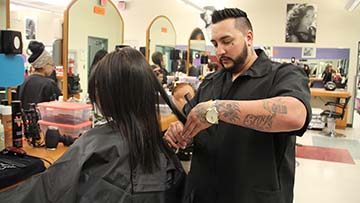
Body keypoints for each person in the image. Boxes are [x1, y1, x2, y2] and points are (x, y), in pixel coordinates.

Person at [164, 8, 311, 203]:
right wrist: (180, 130)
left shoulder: (282, 75)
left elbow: (295, 115)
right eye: (215, 44)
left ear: (248, 37)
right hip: (204, 194)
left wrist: (218, 109)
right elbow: (192, 122)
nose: (219, 51)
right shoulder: (210, 82)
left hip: (253, 196)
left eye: (227, 41)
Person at [0, 48, 185, 202]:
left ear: (109, 95)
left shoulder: (95, 142)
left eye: (97, 90)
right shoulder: (159, 146)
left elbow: (48, 190)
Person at [19, 41, 61, 110]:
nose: (53, 68)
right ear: (44, 65)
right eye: (51, 64)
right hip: (43, 119)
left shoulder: (24, 81)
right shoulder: (49, 84)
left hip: (26, 119)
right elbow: (58, 106)